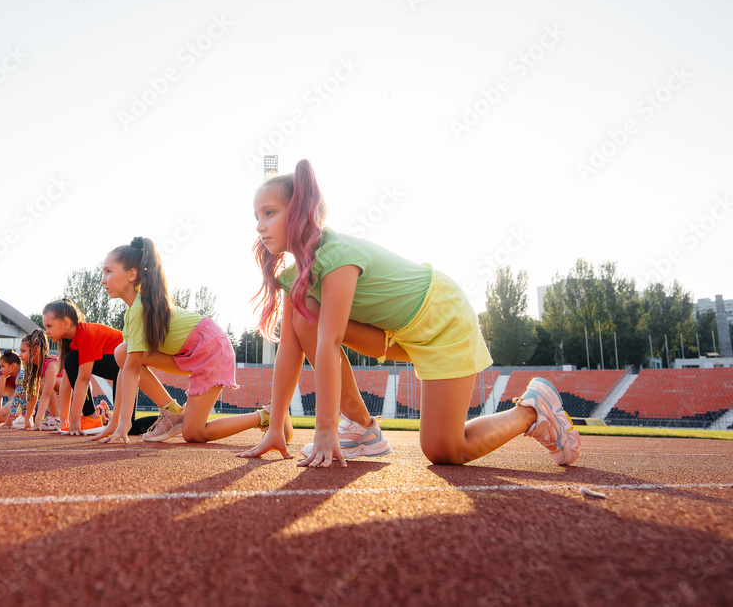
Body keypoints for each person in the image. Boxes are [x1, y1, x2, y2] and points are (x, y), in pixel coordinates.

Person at [238, 159, 580, 468]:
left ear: (298, 212)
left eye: (269, 213)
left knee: (445, 451)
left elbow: (330, 342)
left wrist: (324, 430)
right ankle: (361, 427)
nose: (259, 226)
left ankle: (531, 409)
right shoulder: (294, 278)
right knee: (301, 317)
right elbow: (289, 349)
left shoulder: (337, 256)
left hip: (443, 321)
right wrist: (276, 427)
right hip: (398, 334)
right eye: (256, 216)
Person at [96, 237, 286, 445]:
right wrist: (115, 423)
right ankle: (173, 413)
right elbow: (127, 368)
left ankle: (266, 416)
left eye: (108, 271)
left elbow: (132, 369)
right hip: (188, 354)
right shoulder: (132, 313)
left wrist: (125, 424)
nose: (103, 279)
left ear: (132, 274)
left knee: (194, 433)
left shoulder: (141, 308)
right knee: (122, 353)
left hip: (212, 349)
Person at [42, 298, 182, 437]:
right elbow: (66, 383)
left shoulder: (86, 333)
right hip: (118, 371)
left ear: (66, 323)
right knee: (71, 359)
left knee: (128, 426)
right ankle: (91, 418)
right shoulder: (71, 345)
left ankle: (180, 419)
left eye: (49, 326)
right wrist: (64, 422)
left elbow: (83, 379)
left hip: (129, 368)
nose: (46, 331)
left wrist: (74, 421)